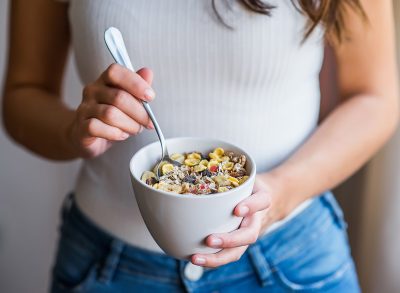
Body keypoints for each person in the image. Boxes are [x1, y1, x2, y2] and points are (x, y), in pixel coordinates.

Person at [2, 0, 398, 292]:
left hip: (290, 261)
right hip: (109, 267)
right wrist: (74, 131)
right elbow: (24, 94)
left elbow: (375, 96)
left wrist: (279, 192)